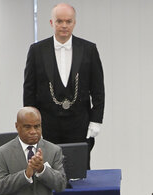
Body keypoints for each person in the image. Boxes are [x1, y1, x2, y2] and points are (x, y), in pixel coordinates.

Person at [23, 3, 104, 161]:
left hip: (80, 123)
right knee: (48, 171)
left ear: (74, 22)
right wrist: (31, 124)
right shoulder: (36, 50)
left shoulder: (89, 49)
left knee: (79, 172)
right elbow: (29, 90)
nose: (64, 25)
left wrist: (96, 120)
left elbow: (98, 89)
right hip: (47, 124)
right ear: (52, 23)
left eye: (68, 21)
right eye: (59, 21)